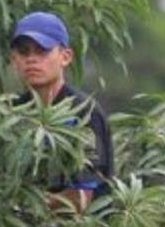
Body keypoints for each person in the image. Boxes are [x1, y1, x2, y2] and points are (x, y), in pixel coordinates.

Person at [8, 11, 113, 213]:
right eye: (24, 52)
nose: (31, 59)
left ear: (65, 57)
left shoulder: (83, 112)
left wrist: (24, 211)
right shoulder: (11, 113)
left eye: (42, 51)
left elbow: (82, 196)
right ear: (14, 60)